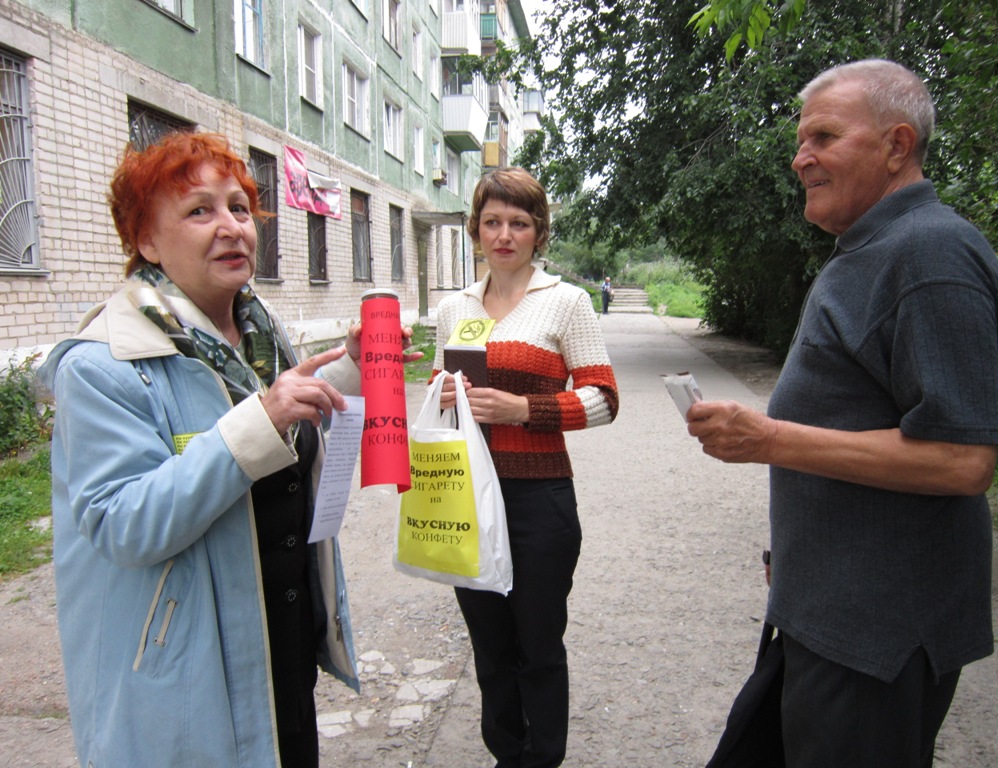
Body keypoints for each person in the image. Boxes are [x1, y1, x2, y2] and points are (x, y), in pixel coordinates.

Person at [39, 132, 419, 768]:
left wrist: (353, 367)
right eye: (199, 211)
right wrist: (261, 420)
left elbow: (289, 419)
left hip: (278, 644)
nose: (231, 227)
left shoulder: (257, 333)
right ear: (146, 240)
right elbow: (121, 523)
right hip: (187, 674)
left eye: (240, 208)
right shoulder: (103, 365)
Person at [688, 60, 998, 767]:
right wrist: (797, 556)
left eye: (824, 137)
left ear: (897, 146)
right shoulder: (871, 248)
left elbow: (962, 460)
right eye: (800, 141)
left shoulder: (930, 254)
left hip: (877, 637)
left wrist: (769, 438)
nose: (801, 158)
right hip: (826, 609)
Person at [433, 167, 618, 767]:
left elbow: (604, 399)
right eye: (492, 222)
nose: (504, 234)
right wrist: (440, 395)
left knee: (538, 645)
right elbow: (443, 397)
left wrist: (525, 409)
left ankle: (542, 758)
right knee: (489, 647)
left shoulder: (566, 302)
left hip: (539, 498)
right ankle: (506, 754)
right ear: (475, 230)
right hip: (467, 494)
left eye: (518, 222)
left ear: (538, 231)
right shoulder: (454, 307)